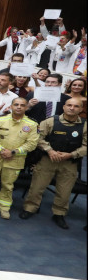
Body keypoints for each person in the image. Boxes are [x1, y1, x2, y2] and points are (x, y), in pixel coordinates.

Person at [19, 98, 86, 229]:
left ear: (81, 109)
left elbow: (86, 146)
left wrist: (71, 154)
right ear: (64, 107)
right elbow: (37, 138)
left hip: (69, 162)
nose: (72, 108)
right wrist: (50, 151)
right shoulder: (50, 121)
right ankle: (30, 208)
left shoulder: (85, 125)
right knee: (37, 187)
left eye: (76, 106)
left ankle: (59, 213)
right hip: (47, 160)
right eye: (69, 105)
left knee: (64, 191)